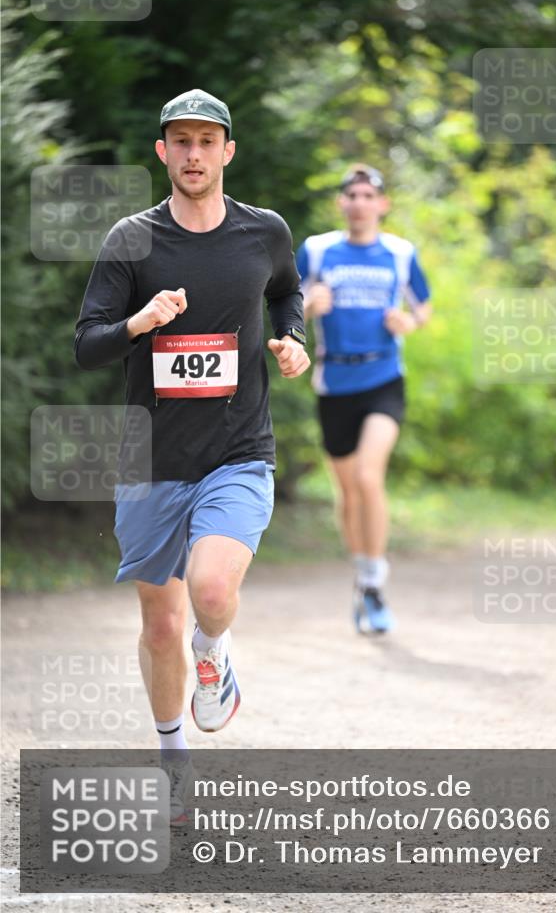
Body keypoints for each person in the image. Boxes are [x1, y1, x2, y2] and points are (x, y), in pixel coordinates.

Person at [74, 89, 309, 821]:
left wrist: (292, 339)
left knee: (207, 596)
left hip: (238, 450)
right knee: (159, 626)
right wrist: (140, 322)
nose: (194, 154)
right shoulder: (130, 240)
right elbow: (87, 345)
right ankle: (173, 756)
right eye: (181, 141)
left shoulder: (263, 232)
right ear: (163, 152)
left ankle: (218, 649)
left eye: (207, 141)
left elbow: (286, 292)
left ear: (228, 151)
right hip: (151, 459)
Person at [296, 164, 431, 635]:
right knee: (348, 491)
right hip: (335, 384)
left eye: (367, 195)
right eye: (351, 195)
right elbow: (286, 305)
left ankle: (375, 584)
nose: (359, 202)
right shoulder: (315, 250)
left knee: (370, 476)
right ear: (342, 203)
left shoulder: (399, 252)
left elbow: (424, 307)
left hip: (384, 378)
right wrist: (310, 305)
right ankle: (361, 570)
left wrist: (408, 324)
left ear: (382, 204)